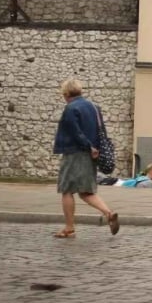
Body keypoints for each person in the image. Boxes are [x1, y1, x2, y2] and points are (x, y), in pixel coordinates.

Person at [52, 78, 119, 239]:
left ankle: (69, 228)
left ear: (66, 93)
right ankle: (109, 213)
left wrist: (88, 145)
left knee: (67, 190)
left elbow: (76, 132)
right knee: (86, 191)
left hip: (75, 152)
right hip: (91, 154)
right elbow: (101, 130)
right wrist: (94, 149)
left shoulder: (71, 108)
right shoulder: (94, 107)